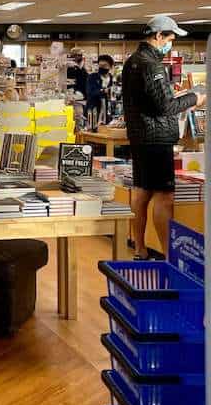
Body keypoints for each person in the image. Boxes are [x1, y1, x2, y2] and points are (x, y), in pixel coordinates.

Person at [122, 15, 205, 259]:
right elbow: (165, 107)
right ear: (159, 36)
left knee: (141, 191)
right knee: (164, 195)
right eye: (170, 38)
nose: (172, 43)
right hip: (156, 138)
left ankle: (139, 248)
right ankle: (169, 254)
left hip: (140, 135)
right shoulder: (151, 64)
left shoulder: (133, 61)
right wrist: (195, 99)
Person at [87, 54, 115, 121]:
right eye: (100, 66)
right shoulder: (92, 77)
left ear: (110, 67)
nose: (101, 68)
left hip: (107, 109)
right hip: (94, 109)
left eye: (104, 66)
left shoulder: (112, 78)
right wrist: (103, 91)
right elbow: (89, 92)